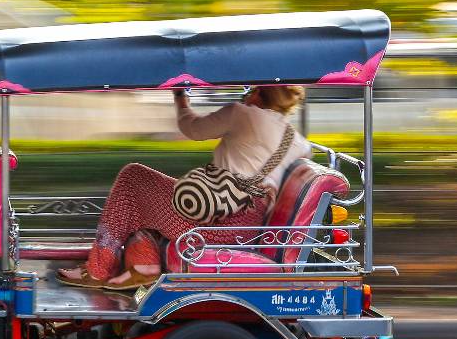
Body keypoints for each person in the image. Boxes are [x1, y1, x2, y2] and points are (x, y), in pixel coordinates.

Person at [59, 85, 311, 289]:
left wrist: (180, 96)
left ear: (256, 94)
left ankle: (97, 270)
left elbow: (192, 128)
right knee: (154, 199)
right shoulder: (300, 144)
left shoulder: (241, 113)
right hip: (247, 231)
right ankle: (144, 266)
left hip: (212, 225)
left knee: (132, 177)